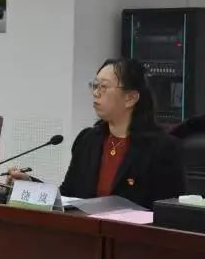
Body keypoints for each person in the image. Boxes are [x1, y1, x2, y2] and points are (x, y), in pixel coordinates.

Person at [10, 58, 185, 208]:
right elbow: (68, 195)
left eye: (103, 87)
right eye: (94, 86)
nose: (95, 93)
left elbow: (169, 213)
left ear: (130, 98)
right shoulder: (87, 140)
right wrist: (30, 185)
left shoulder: (163, 148)